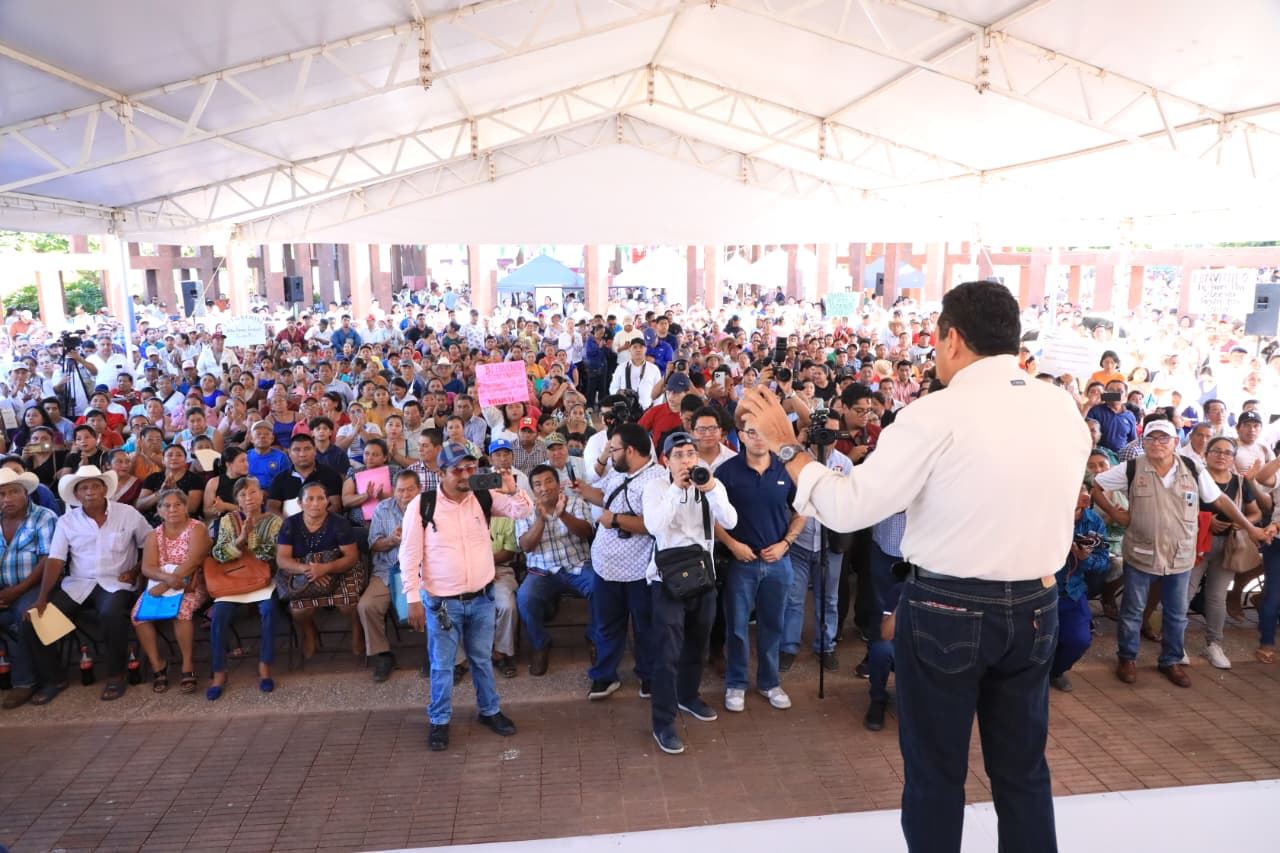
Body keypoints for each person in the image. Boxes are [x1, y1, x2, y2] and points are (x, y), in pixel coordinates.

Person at [735, 281, 1093, 853]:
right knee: (1023, 772)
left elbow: (848, 508)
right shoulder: (1061, 406)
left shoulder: (936, 413)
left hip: (950, 607)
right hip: (1036, 605)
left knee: (935, 777)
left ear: (951, 338)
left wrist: (788, 447)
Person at [1092, 420, 1272, 687]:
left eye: (1163, 439)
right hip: (1142, 552)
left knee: (1177, 612)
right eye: (1151, 439)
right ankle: (1127, 658)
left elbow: (1220, 500)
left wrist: (1250, 528)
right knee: (1132, 610)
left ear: (1175, 442)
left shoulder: (1192, 467)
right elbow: (1097, 484)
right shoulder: (1132, 467)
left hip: (1181, 554)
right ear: (1144, 442)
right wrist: (1115, 512)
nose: (1157, 444)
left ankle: (1171, 660)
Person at [399, 441, 532, 751]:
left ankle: (489, 711)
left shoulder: (483, 495)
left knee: (482, 660)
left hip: (482, 597)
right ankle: (440, 721)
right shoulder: (422, 505)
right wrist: (412, 598)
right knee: (443, 665)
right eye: (457, 469)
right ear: (441, 473)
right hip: (442, 603)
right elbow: (409, 555)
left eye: (470, 468)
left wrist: (512, 488)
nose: (465, 474)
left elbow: (522, 510)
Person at [642, 432, 738, 755]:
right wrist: (676, 489)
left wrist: (710, 489)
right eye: (679, 454)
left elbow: (731, 520)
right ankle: (663, 722)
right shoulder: (655, 487)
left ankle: (688, 695)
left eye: (691, 453)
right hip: (667, 581)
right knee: (668, 653)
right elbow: (655, 526)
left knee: (699, 643)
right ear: (666, 460)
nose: (686, 460)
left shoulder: (710, 482)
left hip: (703, 577)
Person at [25, 466, 152, 705]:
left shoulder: (128, 514)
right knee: (35, 620)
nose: (90, 491)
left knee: (111, 613)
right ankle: (55, 678)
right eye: (84, 487)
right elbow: (55, 560)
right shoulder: (67, 521)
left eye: (95, 485)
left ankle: (116, 675)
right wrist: (42, 597)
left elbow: (151, 543)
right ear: (77, 494)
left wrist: (135, 570)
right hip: (79, 584)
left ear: (105, 489)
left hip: (117, 583)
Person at [714, 412, 805, 713]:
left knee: (773, 625)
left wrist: (785, 543)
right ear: (740, 436)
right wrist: (732, 544)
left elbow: (802, 510)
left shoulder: (785, 469)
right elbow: (711, 517)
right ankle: (736, 683)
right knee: (737, 627)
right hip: (742, 562)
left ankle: (769, 682)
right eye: (751, 432)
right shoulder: (726, 472)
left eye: (762, 432)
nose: (757, 438)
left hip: (779, 561)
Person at [566, 423, 664, 701]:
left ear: (630, 450)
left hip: (638, 571)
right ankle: (605, 676)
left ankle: (648, 676)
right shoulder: (618, 473)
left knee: (645, 626)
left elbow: (655, 525)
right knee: (607, 625)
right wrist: (585, 490)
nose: (610, 455)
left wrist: (616, 520)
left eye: (614, 450)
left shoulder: (656, 480)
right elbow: (606, 496)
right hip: (605, 567)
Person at [514, 464, 597, 676]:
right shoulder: (525, 510)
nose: (544, 488)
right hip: (541, 571)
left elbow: (587, 532)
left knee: (601, 588)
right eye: (538, 484)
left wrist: (563, 515)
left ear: (558, 484)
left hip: (577, 566)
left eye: (549, 481)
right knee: (525, 597)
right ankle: (540, 644)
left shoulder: (576, 502)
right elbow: (525, 546)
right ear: (532, 489)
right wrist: (540, 520)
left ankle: (594, 637)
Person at [131, 489, 212, 695]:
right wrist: (166, 580)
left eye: (178, 505)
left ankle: (187, 665)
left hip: (190, 583)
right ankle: (158, 665)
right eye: (166, 505)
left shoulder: (197, 529)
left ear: (186, 508)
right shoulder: (153, 535)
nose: (172, 509)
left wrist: (167, 585)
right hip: (160, 584)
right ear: (159, 511)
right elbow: (147, 568)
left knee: (181, 612)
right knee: (138, 616)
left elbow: (193, 561)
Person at [207, 476, 281, 699]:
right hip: (233, 580)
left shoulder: (275, 521)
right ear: (237, 500)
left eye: (253, 492)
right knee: (218, 616)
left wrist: (253, 536)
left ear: (262, 495)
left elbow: (273, 555)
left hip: (264, 579)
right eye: (242, 495)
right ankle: (219, 672)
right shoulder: (228, 520)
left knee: (269, 611)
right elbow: (218, 555)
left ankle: (265, 666)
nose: (248, 498)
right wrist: (239, 539)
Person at [275, 481, 363, 661]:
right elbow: (282, 559)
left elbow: (351, 557)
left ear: (327, 502)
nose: (315, 503)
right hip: (303, 571)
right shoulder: (289, 524)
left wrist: (325, 568)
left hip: (338, 568)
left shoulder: (339, 523)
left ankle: (357, 628)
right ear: (300, 503)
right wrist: (310, 570)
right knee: (299, 610)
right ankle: (309, 632)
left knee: (348, 604)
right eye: (310, 499)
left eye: (320, 498)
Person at [0, 467, 58, 709]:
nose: (7, 499)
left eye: (13, 492)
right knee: (11, 621)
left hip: (38, 585)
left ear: (25, 493)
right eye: (1, 494)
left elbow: (48, 560)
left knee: (24, 617)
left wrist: (17, 590)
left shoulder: (43, 517)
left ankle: (24, 682)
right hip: (4, 589)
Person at [1047, 483, 1110, 692]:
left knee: (1079, 640)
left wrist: (1084, 560)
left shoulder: (1093, 521)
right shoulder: (1044, 516)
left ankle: (1055, 672)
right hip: (1041, 591)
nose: (1080, 494)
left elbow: (1103, 562)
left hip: (1072, 590)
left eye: (1083, 489)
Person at [360, 468, 420, 682]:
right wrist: (392, 541)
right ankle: (383, 654)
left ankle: (437, 654)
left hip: (423, 571)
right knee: (367, 606)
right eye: (400, 490)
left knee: (440, 602)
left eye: (410, 490)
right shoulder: (383, 509)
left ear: (419, 489)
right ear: (393, 491)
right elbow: (374, 545)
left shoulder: (430, 508)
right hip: (388, 569)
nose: (405, 495)